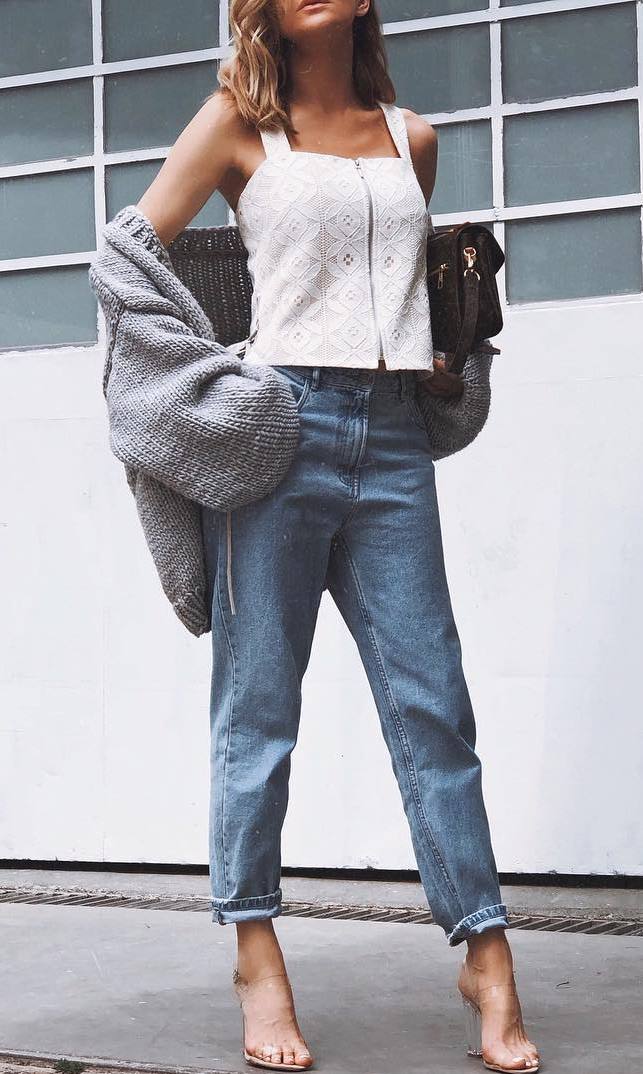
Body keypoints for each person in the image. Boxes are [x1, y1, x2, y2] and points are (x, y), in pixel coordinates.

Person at [136, 1, 540, 1070]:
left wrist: (449, 352)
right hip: (280, 437)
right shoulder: (235, 122)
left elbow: (400, 291)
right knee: (258, 710)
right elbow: (129, 257)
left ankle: (485, 955)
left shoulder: (414, 137)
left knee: (433, 707)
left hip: (395, 439)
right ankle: (255, 952)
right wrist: (207, 388)